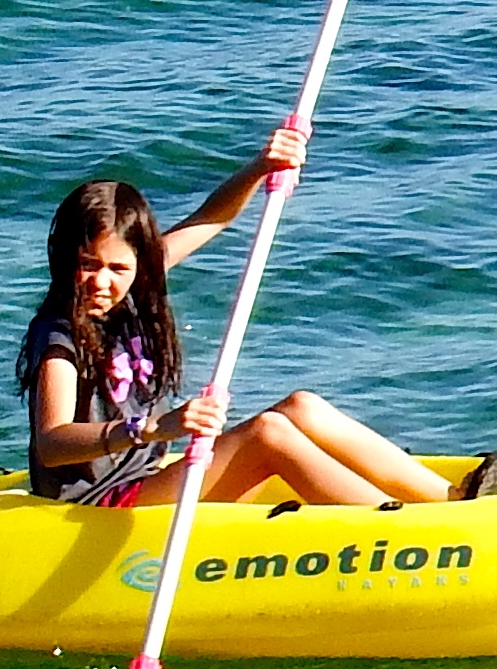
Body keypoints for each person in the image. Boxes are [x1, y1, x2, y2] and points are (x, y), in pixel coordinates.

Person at [24, 156, 451, 511]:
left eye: (118, 268)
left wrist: (262, 168)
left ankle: (455, 495)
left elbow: (211, 218)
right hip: (102, 503)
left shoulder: (134, 289)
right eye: (88, 265)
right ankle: (393, 532)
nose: (102, 282)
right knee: (267, 434)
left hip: (143, 477)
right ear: (66, 261)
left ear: (137, 266)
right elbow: (52, 441)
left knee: (302, 407)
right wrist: (152, 428)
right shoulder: (59, 336)